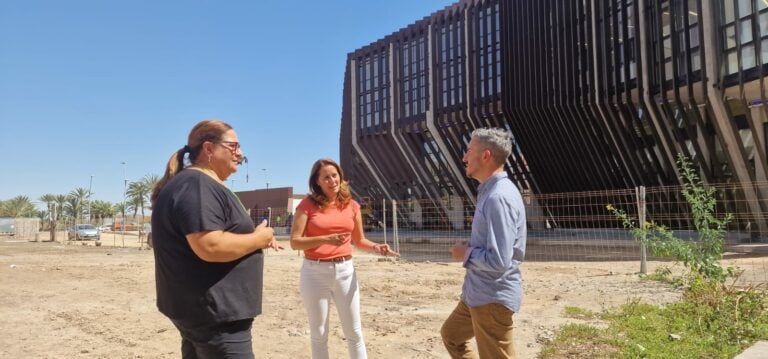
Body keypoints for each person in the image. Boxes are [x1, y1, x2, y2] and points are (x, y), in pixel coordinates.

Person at [150, 119, 283, 358]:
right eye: (233, 146)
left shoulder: (196, 183)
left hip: (205, 313)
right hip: (216, 318)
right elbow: (210, 246)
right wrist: (260, 239)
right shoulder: (197, 184)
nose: (240, 153)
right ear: (209, 148)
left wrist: (253, 236)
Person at [290, 158, 399, 359]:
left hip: (345, 272)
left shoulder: (352, 206)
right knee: (319, 333)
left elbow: (359, 241)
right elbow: (295, 242)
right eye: (326, 177)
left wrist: (376, 247)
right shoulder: (307, 205)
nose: (332, 180)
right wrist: (325, 239)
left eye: (334, 175)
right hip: (315, 273)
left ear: (340, 177)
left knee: (354, 332)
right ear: (317, 182)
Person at [441, 128, 527, 359]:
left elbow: (499, 260)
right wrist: (472, 244)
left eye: (469, 151)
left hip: (492, 298)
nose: (464, 157)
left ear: (486, 156)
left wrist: (465, 253)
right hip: (476, 295)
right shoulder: (488, 193)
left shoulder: (499, 197)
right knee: (451, 335)